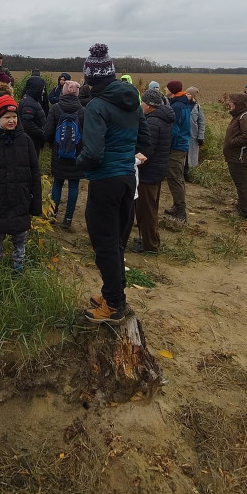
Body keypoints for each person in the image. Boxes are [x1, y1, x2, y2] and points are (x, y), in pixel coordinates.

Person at [77, 43, 149, 324]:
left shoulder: (97, 105)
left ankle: (114, 306)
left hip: (104, 181)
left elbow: (93, 153)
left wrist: (78, 163)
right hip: (128, 179)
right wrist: (125, 153)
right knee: (118, 241)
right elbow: (145, 139)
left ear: (91, 79)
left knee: (104, 243)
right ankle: (112, 295)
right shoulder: (132, 99)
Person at [0, 95, 41, 274]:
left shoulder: (25, 141)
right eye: (6, 117)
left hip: (20, 199)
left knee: (20, 238)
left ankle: (18, 268)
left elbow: (35, 173)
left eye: (14, 116)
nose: (11, 120)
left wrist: (35, 204)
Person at [130, 88, 173, 254]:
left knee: (146, 210)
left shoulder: (153, 122)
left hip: (148, 173)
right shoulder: (163, 118)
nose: (141, 105)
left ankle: (149, 246)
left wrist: (134, 159)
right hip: (157, 169)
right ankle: (149, 239)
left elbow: (147, 150)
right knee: (151, 207)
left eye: (143, 103)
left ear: (149, 105)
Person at [42, 80, 85, 228]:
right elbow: (86, 135)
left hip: (58, 154)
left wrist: (50, 146)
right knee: (73, 186)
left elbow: (47, 132)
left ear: (63, 91)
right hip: (76, 155)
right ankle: (67, 219)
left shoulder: (55, 108)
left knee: (57, 184)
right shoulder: (82, 110)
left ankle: (52, 215)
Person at [223, 92, 247, 219]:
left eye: (232, 102)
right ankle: (241, 207)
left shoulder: (245, 117)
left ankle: (244, 212)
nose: (230, 103)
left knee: (242, 184)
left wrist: (233, 142)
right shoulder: (239, 115)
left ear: (239, 104)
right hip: (236, 156)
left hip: (240, 157)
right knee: (240, 184)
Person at [163, 80, 192, 224]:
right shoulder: (183, 103)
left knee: (174, 177)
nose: (164, 89)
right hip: (181, 145)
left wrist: (167, 147)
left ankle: (180, 211)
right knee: (177, 177)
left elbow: (173, 130)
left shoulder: (177, 106)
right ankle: (177, 205)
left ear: (172, 90)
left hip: (176, 147)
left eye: (167, 87)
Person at [19, 77, 48, 152]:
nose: (43, 91)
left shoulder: (32, 100)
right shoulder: (28, 103)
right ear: (37, 88)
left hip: (33, 141)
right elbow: (27, 124)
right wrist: (42, 133)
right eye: (42, 88)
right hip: (32, 141)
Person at [185, 86, 205, 180]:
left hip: (193, 136)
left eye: (188, 94)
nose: (186, 95)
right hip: (182, 135)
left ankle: (190, 175)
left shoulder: (198, 107)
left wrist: (201, 136)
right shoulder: (182, 105)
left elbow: (201, 122)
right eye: (186, 93)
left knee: (192, 157)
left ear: (192, 96)